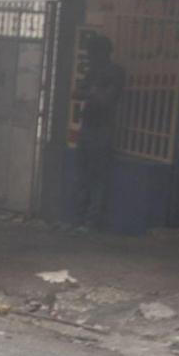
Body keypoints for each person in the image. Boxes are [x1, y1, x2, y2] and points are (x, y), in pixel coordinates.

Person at [70, 35, 126, 231]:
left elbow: (106, 101)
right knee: (82, 175)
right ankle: (79, 219)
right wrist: (93, 92)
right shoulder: (93, 71)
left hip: (103, 129)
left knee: (97, 177)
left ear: (103, 53)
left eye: (92, 53)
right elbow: (76, 93)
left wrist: (92, 93)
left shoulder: (116, 72)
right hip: (88, 127)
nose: (90, 57)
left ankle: (90, 221)